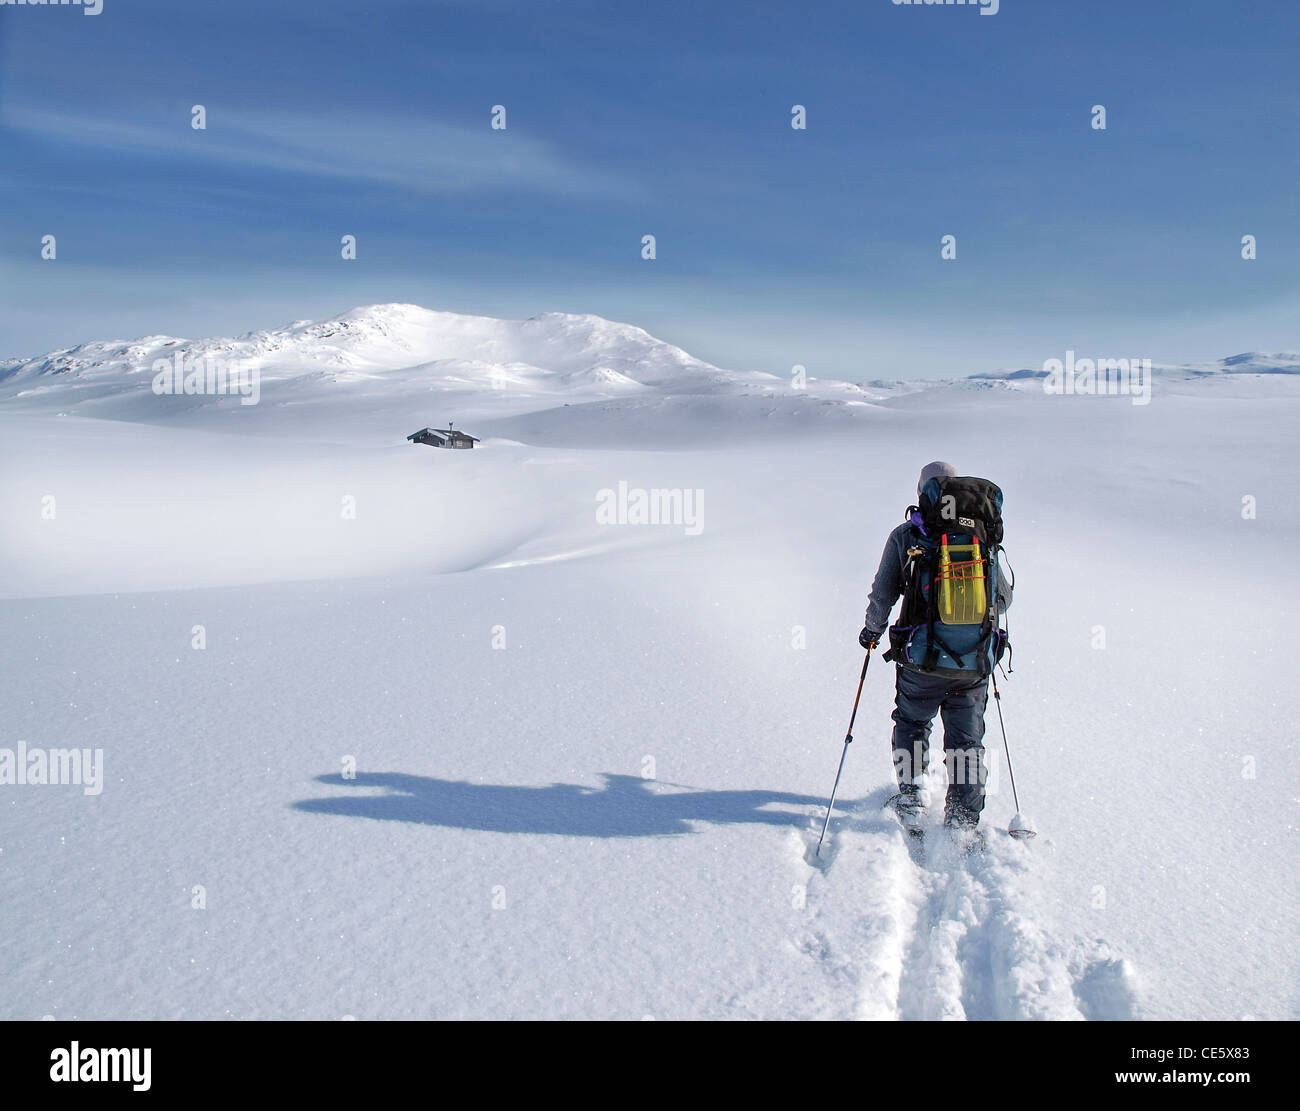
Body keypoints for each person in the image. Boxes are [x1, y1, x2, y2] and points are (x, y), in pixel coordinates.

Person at [859, 462, 1012, 836]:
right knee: (966, 741)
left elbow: (883, 593)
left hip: (920, 660)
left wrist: (871, 632)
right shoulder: (980, 535)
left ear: (922, 492)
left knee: (912, 723)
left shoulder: (908, 534)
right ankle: (963, 817)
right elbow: (1003, 600)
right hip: (974, 661)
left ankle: (911, 797)